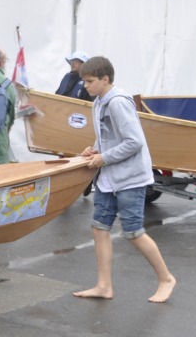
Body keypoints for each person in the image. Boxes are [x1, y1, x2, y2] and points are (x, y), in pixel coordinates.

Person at [74, 56, 176, 304]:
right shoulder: (98, 102)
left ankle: (166, 279)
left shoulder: (118, 102)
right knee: (99, 228)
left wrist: (104, 157)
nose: (84, 86)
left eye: (89, 81)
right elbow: (107, 136)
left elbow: (134, 142)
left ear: (105, 79)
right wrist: (95, 150)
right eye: (84, 81)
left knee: (133, 232)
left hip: (129, 177)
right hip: (109, 176)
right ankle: (104, 286)